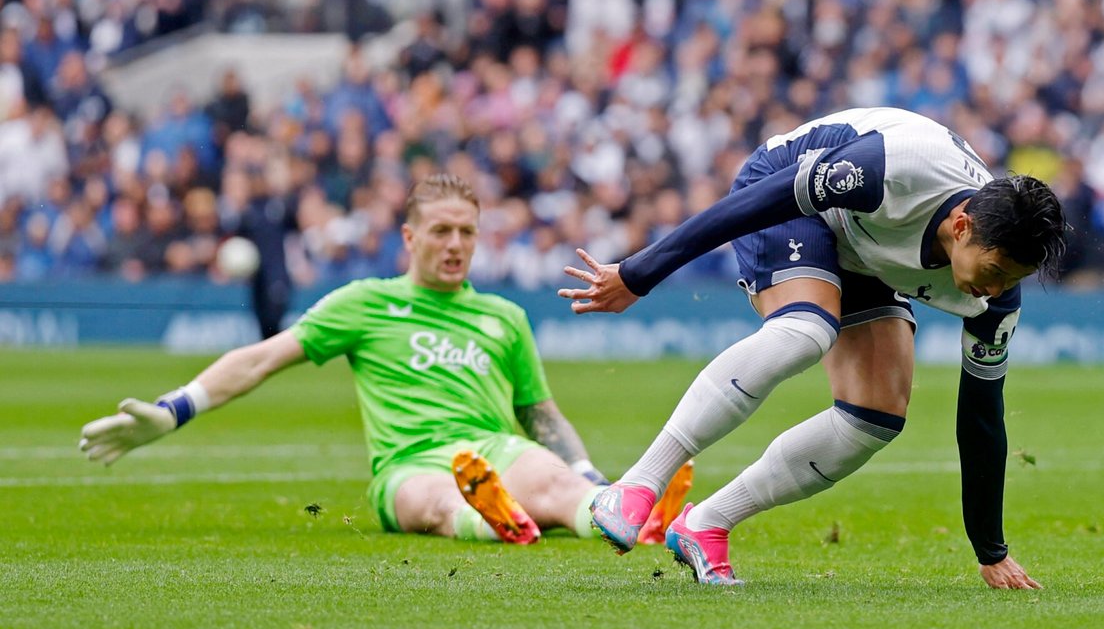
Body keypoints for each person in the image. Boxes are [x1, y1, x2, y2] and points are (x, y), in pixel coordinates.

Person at [559, 108, 1067, 587]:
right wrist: (638, 274)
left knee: (878, 413)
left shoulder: (995, 301)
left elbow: (981, 416)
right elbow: (755, 203)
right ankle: (639, 483)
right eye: (996, 272)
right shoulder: (891, 170)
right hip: (787, 192)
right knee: (806, 330)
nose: (997, 291)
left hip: (865, 248)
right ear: (961, 227)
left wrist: (990, 549)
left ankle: (707, 524)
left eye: (1013, 280)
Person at [79, 174, 690, 545]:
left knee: (560, 487)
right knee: (438, 502)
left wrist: (591, 478)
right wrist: (173, 410)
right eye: (442, 231)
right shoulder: (364, 304)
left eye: (467, 233)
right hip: (406, 463)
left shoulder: (503, 317)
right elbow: (261, 359)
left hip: (493, 448)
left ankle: (624, 518)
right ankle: (497, 517)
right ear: (409, 238)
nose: (455, 245)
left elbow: (543, 416)